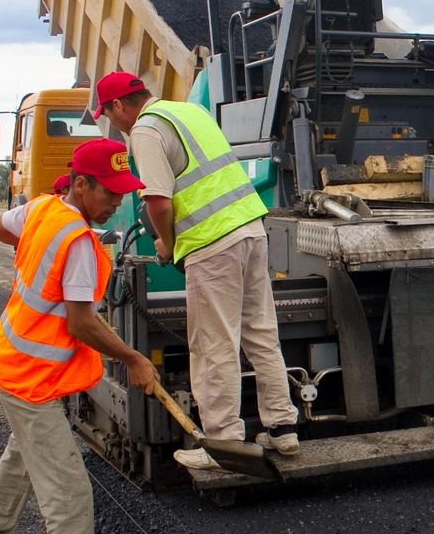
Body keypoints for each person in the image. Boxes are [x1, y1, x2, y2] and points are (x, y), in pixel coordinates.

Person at [0, 139, 157, 534]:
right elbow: (81, 324)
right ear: (80, 184)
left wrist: (32, 256)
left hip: (12, 359)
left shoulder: (44, 209)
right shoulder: (77, 244)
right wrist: (134, 358)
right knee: (69, 493)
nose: (117, 202)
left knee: (22, 451)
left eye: (123, 191)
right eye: (109, 192)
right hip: (30, 374)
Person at [94, 70, 301, 469]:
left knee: (213, 346)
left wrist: (167, 245)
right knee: (260, 334)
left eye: (108, 113)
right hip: (251, 229)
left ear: (119, 105)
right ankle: (283, 430)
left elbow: (158, 201)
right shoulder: (189, 111)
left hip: (212, 243)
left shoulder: (146, 130)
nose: (111, 123)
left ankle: (223, 444)